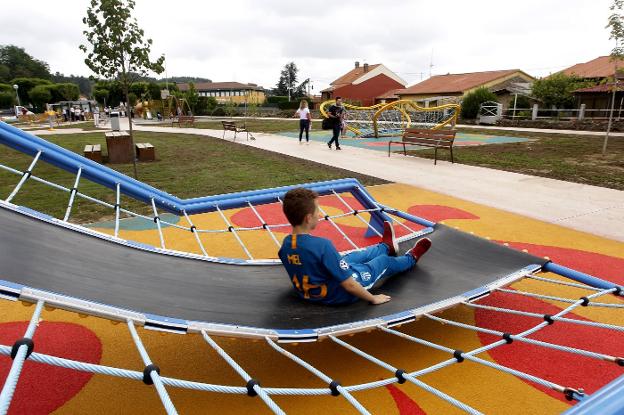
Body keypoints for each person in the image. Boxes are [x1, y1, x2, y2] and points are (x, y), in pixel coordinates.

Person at [278, 188, 432, 305]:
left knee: (352, 257)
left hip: (320, 286)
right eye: (317, 211)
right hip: (341, 294)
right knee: (384, 262)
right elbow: (349, 285)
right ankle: (411, 258)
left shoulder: (285, 245)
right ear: (308, 218)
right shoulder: (322, 246)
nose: (319, 214)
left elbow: (304, 263)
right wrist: (372, 298)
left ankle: (386, 246)